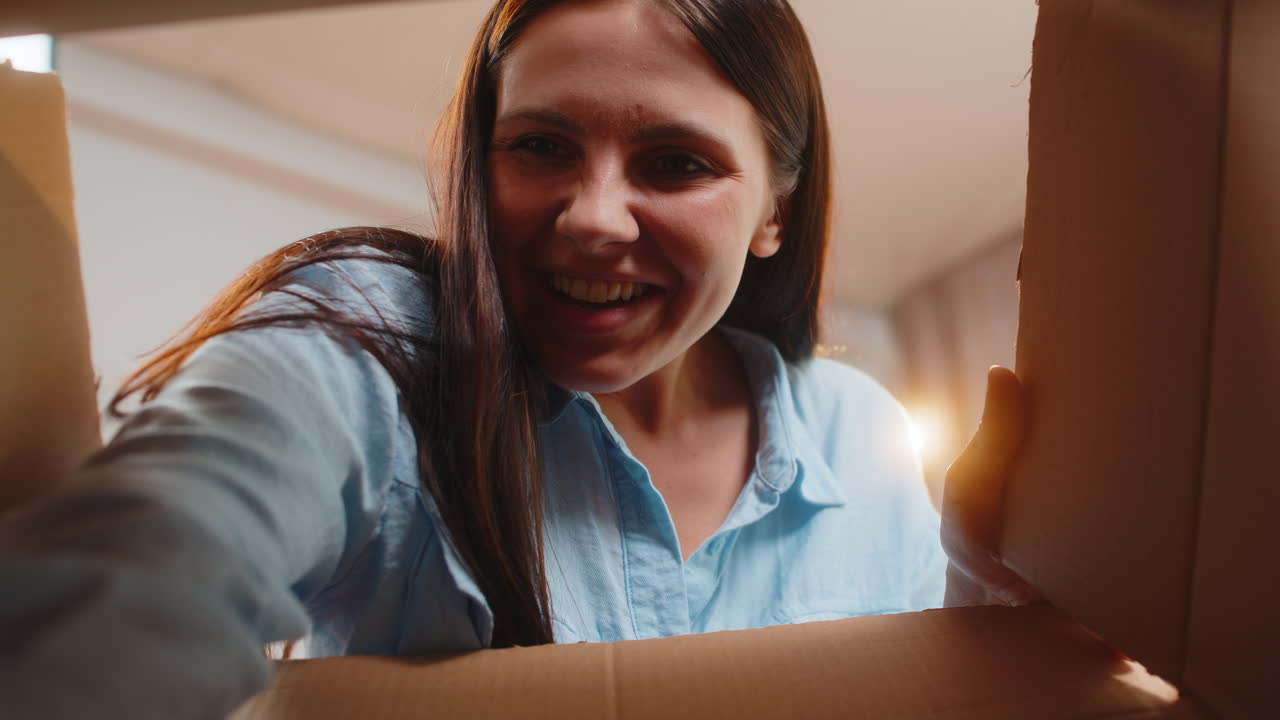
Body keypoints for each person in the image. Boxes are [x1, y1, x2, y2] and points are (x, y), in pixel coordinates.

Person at [0, 0, 1036, 717]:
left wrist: (988, 590)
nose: (593, 218)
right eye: (540, 145)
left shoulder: (859, 432)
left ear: (775, 213)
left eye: (675, 163)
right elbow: (146, 570)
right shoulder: (375, 344)